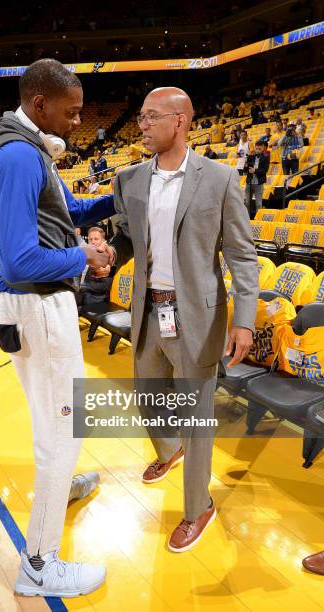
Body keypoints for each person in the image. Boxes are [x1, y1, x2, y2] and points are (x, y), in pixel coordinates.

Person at [0, 58, 116, 599]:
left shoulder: (26, 146)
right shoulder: (18, 156)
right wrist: (83, 256)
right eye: (73, 112)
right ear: (41, 105)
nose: (79, 121)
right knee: (66, 431)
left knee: (51, 420)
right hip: (36, 304)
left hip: (31, 307)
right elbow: (17, 261)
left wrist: (115, 196)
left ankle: (57, 493)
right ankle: (38, 565)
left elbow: (64, 210)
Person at [105, 87, 258, 553]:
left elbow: (242, 255)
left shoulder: (220, 179)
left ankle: (198, 509)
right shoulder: (129, 179)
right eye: (141, 118)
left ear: (181, 120)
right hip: (149, 312)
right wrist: (110, 251)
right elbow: (128, 238)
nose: (143, 126)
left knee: (197, 418)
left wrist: (244, 320)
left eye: (152, 117)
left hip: (198, 317)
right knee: (148, 400)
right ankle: (171, 453)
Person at [243, 140, 270, 214]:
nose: (258, 150)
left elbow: (265, 171)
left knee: (258, 204)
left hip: (259, 183)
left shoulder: (266, 158)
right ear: (254, 148)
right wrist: (245, 165)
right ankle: (246, 219)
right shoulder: (250, 157)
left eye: (259, 149)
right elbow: (245, 170)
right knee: (247, 203)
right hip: (249, 182)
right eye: (256, 148)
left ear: (263, 148)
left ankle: (258, 220)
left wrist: (255, 171)